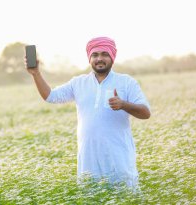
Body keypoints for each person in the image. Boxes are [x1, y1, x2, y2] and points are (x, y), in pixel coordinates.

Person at [25, 36, 151, 188]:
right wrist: (36, 73)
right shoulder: (78, 83)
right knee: (90, 197)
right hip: (88, 160)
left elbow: (145, 113)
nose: (99, 58)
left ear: (112, 57)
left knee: (124, 196)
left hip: (118, 158)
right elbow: (51, 96)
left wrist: (123, 104)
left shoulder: (126, 82)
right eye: (95, 55)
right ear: (89, 58)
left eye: (105, 54)